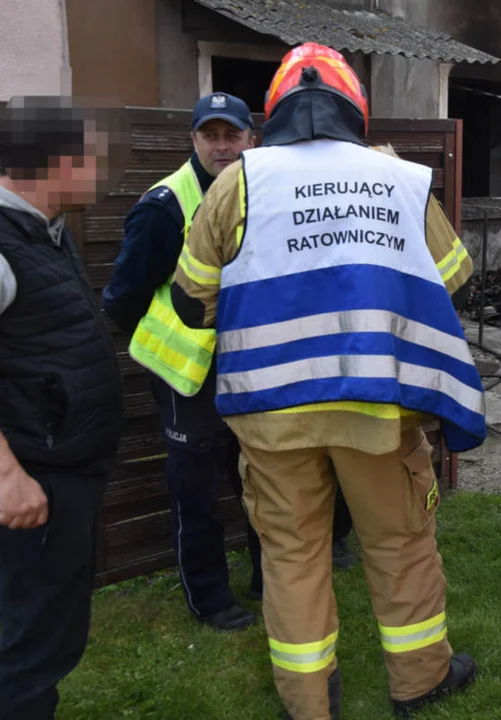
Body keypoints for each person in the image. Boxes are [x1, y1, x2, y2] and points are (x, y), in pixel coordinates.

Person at [169, 43, 483, 720]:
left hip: (271, 410)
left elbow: (189, 296)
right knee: (399, 543)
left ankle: (308, 701)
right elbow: (455, 276)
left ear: (274, 110)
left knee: (291, 555)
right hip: (377, 407)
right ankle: (421, 680)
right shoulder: (395, 177)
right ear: (353, 108)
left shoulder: (237, 181)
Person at [102, 92, 263, 630]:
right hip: (187, 376)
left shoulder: (264, 191)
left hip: (251, 367)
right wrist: (165, 342)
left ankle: (271, 582)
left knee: (263, 481)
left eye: (231, 134)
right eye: (210, 135)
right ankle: (211, 600)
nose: (221, 146)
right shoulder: (165, 204)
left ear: (250, 139)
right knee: (196, 493)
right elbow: (123, 296)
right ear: (192, 140)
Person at [0, 97, 126, 720]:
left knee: (47, 634)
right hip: (29, 486)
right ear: (54, 161)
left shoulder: (45, 231)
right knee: (27, 648)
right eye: (91, 160)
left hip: (60, 472)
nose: (100, 174)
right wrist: (7, 478)